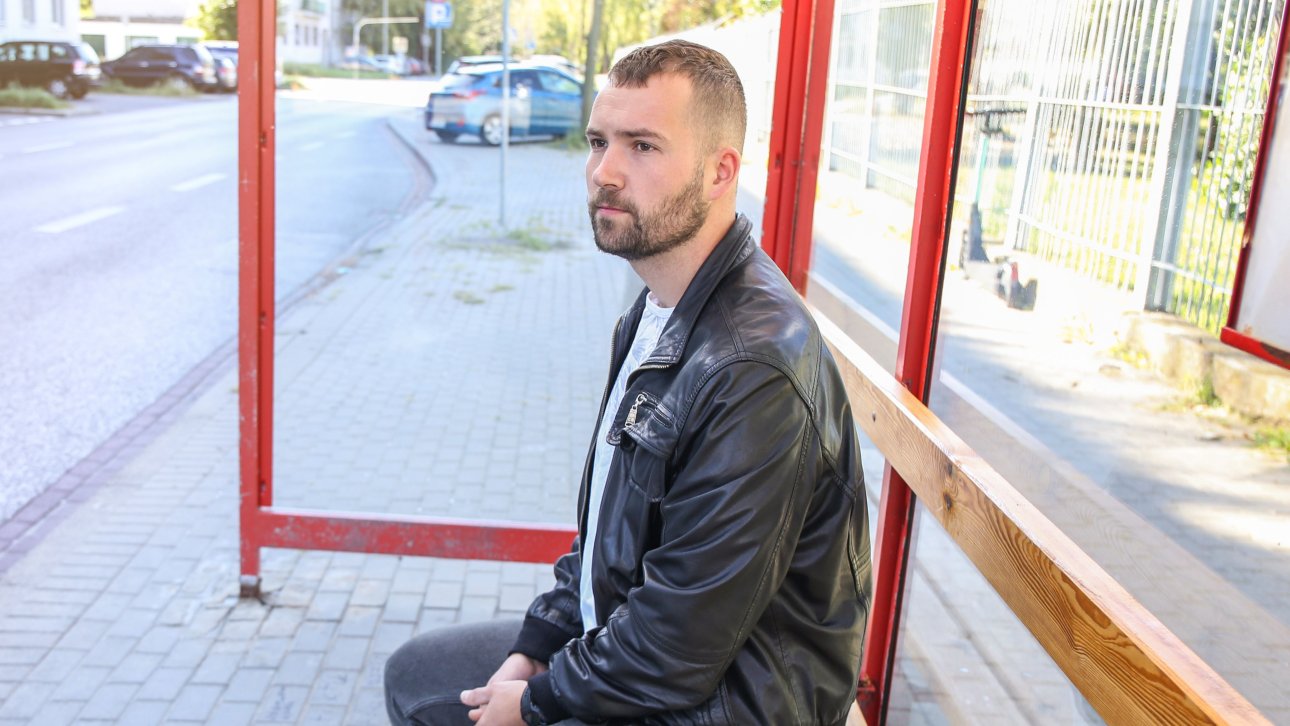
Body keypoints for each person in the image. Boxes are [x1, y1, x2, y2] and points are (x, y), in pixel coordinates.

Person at [385, 39, 872, 726]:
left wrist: (534, 703)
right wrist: (536, 645)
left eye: (642, 147)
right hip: (646, 655)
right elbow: (610, 537)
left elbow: (676, 647)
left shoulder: (750, 367)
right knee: (419, 669)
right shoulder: (659, 308)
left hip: (729, 702)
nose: (604, 173)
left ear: (719, 171)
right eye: (597, 141)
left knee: (424, 700)